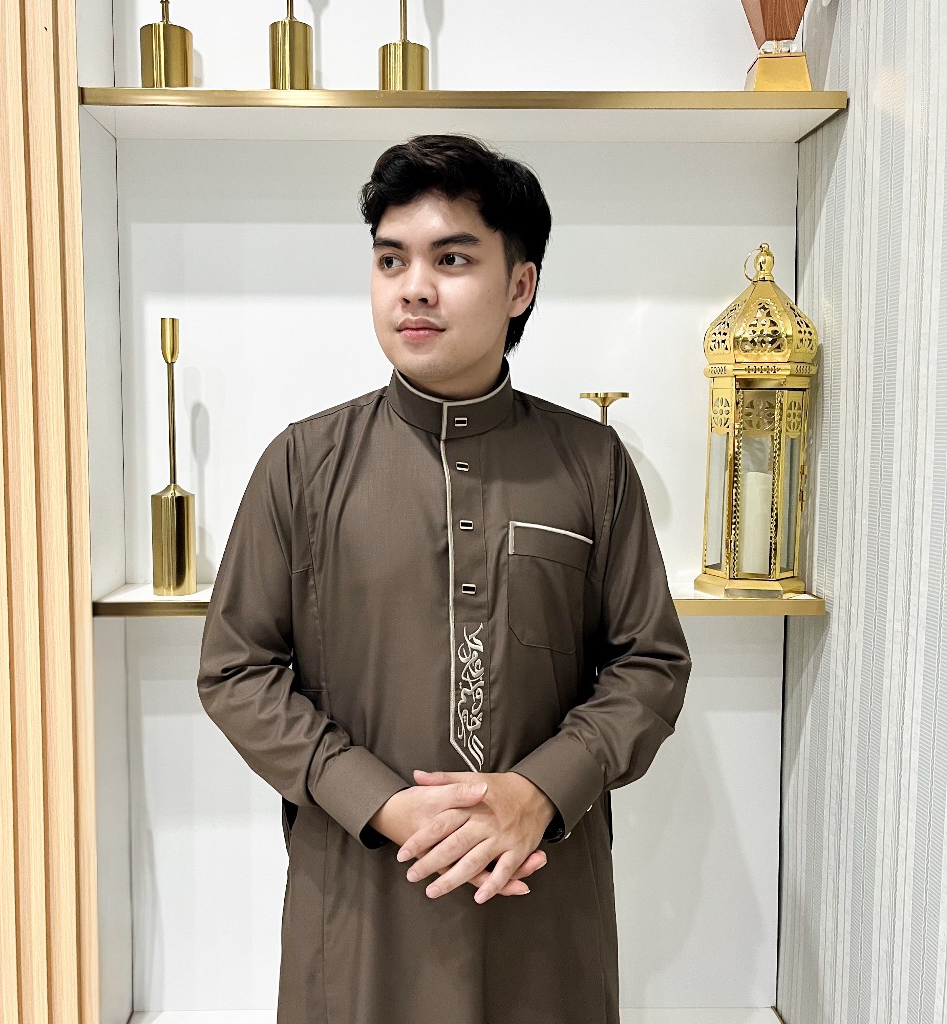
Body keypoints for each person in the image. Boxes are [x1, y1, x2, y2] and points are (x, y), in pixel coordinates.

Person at [197, 133, 693, 1024]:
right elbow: (237, 670)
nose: (413, 287)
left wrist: (539, 792)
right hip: (362, 901)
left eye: (451, 259)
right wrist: (380, 802)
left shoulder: (591, 464)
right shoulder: (303, 466)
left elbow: (650, 666)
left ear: (520, 286)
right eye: (391, 259)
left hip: (540, 898)